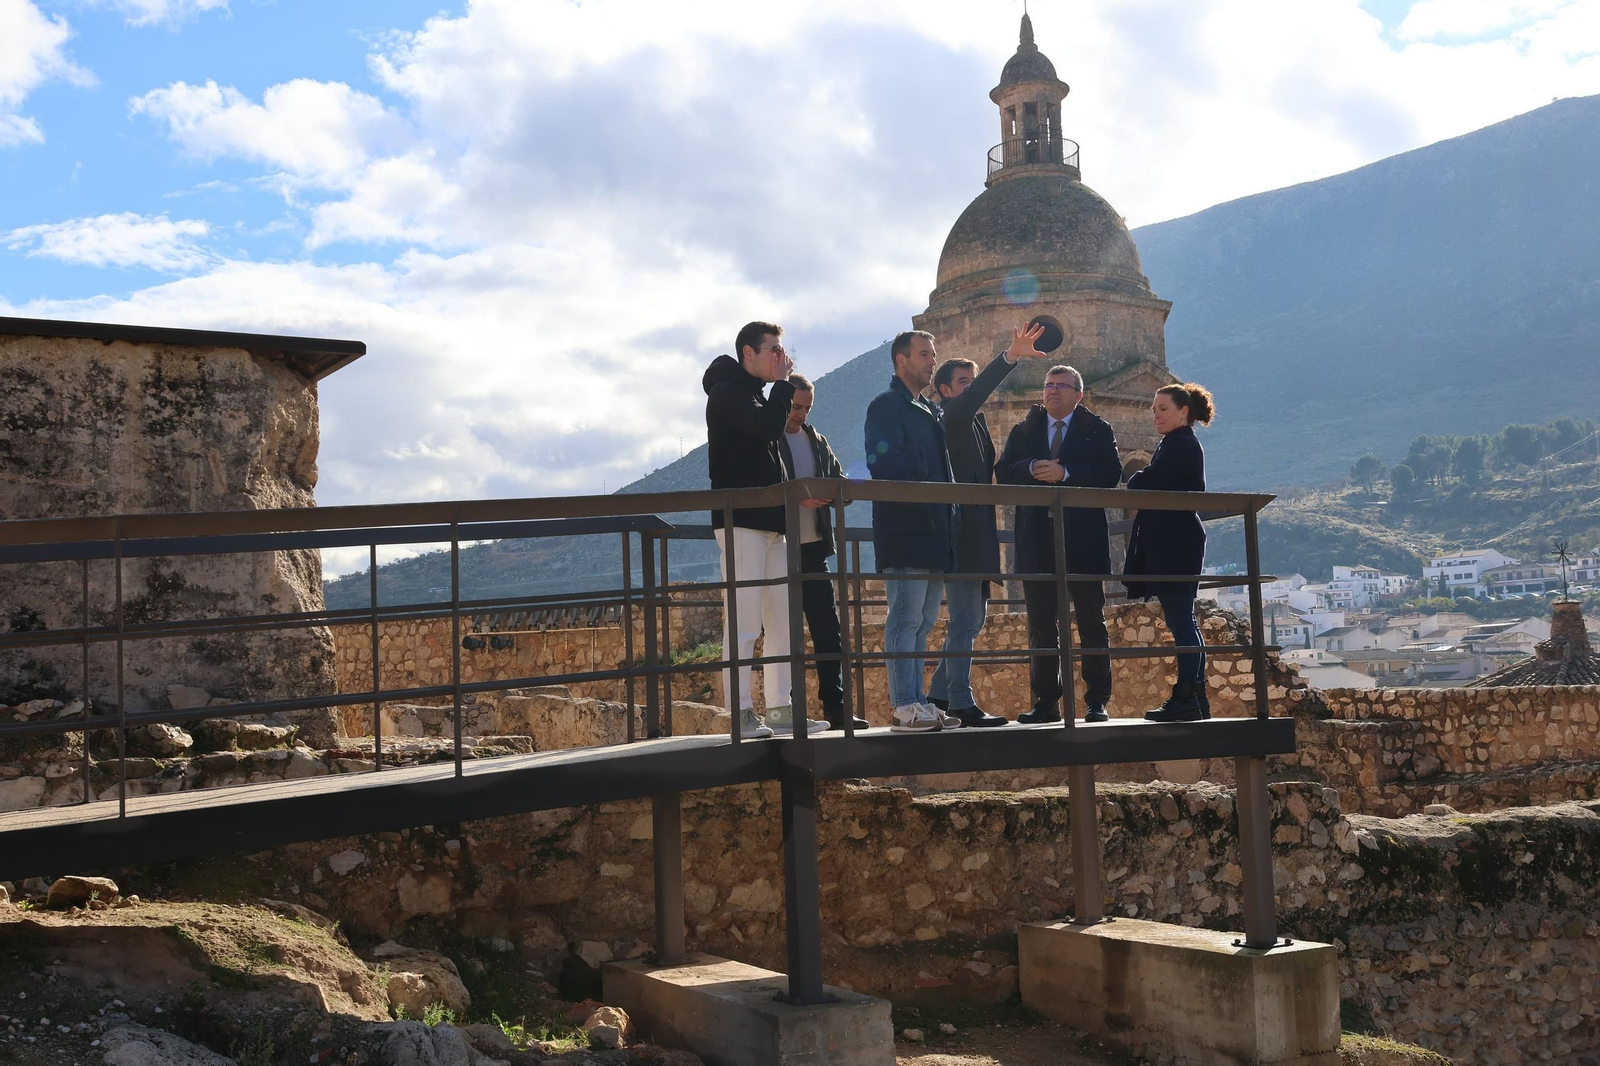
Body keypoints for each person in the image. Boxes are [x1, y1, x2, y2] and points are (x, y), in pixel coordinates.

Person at [702, 321, 825, 737]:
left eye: (781, 349)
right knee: (743, 624)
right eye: (772, 349)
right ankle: (740, 714)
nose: (780, 356)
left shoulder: (756, 394)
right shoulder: (726, 394)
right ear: (747, 353)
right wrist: (785, 384)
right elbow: (767, 428)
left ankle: (779, 709)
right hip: (741, 524)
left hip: (775, 524)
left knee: (783, 623)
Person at [927, 325, 1050, 727]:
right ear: (945, 391)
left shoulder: (976, 423)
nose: (972, 387)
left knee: (974, 620)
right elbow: (972, 401)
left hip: (980, 532)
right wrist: (1009, 357)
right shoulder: (952, 416)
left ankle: (939, 696)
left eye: (972, 380)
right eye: (964, 382)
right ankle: (960, 703)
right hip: (959, 532)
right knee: (964, 621)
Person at [995, 365, 1122, 723]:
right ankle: (1045, 702)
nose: (1052, 391)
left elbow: (1110, 474)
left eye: (1061, 386)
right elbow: (1004, 473)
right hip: (1035, 539)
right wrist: (1033, 467)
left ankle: (1097, 700)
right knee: (1040, 625)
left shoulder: (1097, 429)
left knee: (1091, 621)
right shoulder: (1025, 429)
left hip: (1082, 540)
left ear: (1078, 394)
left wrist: (1066, 474)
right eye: (1048, 385)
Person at [863, 330, 965, 733]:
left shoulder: (929, 410)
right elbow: (883, 464)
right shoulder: (886, 407)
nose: (932, 361)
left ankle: (921, 702)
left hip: (936, 532)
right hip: (906, 529)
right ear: (901, 361)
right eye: (924, 354)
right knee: (904, 618)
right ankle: (905, 706)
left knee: (923, 622)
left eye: (934, 354)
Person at [778, 375, 868, 731]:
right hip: (779, 548)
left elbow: (839, 482)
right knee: (783, 633)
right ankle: (784, 709)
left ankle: (836, 708)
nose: (800, 414)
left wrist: (840, 489)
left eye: (806, 408)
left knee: (828, 633)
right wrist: (797, 497)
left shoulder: (816, 440)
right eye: (795, 407)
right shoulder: (769, 441)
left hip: (814, 549)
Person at [1122, 382, 1216, 723]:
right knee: (1183, 620)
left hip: (1176, 543)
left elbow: (1148, 480)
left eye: (1163, 408)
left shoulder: (1180, 444)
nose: (1156, 415)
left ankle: (1188, 695)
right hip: (1177, 541)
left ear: (1183, 411)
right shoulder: (1176, 443)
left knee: (1181, 620)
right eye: (1154, 410)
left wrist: (1138, 479)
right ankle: (1195, 695)